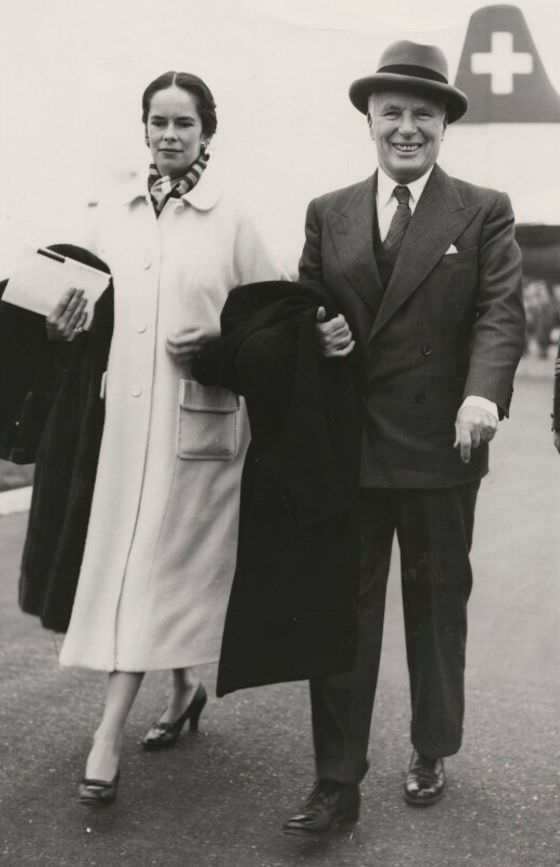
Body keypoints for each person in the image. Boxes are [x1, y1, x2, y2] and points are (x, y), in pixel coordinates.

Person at [25, 71, 286, 805]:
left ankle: (106, 734)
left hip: (199, 435)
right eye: (158, 122)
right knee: (143, 572)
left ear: (208, 133)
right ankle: (185, 690)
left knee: (145, 575)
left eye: (184, 124)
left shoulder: (232, 220)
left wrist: (221, 339)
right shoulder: (112, 214)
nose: (169, 136)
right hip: (123, 434)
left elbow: (273, 326)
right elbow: (73, 314)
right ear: (143, 128)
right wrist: (63, 321)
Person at [284, 40, 525, 834]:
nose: (407, 127)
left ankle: (431, 745)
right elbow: (305, 309)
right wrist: (316, 339)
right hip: (351, 448)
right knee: (342, 615)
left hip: (443, 446)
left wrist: (482, 395)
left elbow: (499, 312)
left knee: (434, 608)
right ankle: (335, 778)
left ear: (445, 125)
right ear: (370, 119)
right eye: (393, 112)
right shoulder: (329, 210)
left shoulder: (483, 209)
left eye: (424, 113)